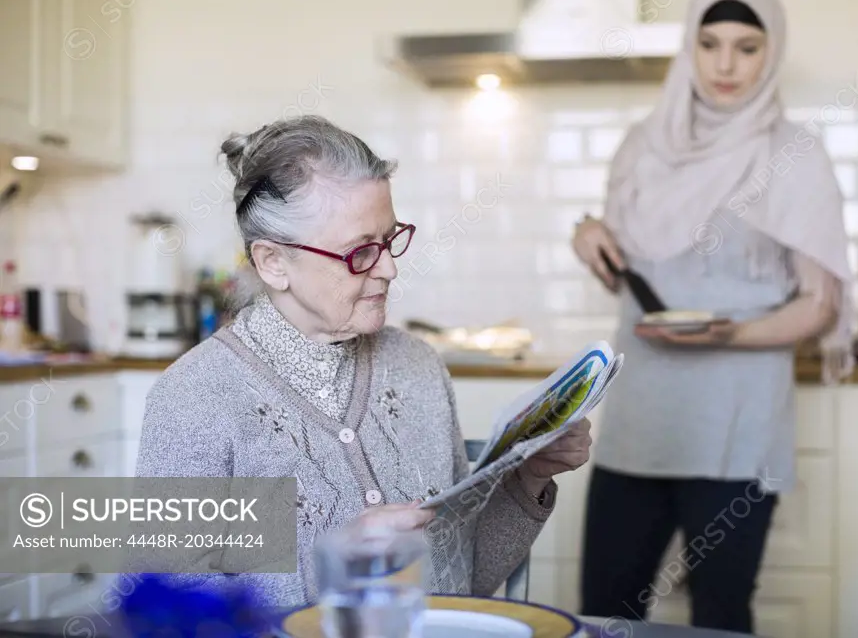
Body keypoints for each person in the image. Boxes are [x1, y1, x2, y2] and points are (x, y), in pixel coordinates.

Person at [134, 115, 592, 606]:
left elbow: (465, 580)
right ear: (273, 262)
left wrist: (530, 475)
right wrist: (333, 563)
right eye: (360, 253)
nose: (389, 268)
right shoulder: (195, 398)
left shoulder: (418, 367)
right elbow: (161, 607)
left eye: (390, 240)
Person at [573, 0, 852, 634]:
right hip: (638, 420)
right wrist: (591, 241)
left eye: (747, 46)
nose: (726, 63)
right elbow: (632, 280)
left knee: (720, 616)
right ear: (688, 48)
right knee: (603, 612)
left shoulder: (794, 156)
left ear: (771, 50)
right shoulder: (641, 146)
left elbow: (819, 305)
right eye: (709, 43)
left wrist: (721, 334)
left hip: (736, 427)